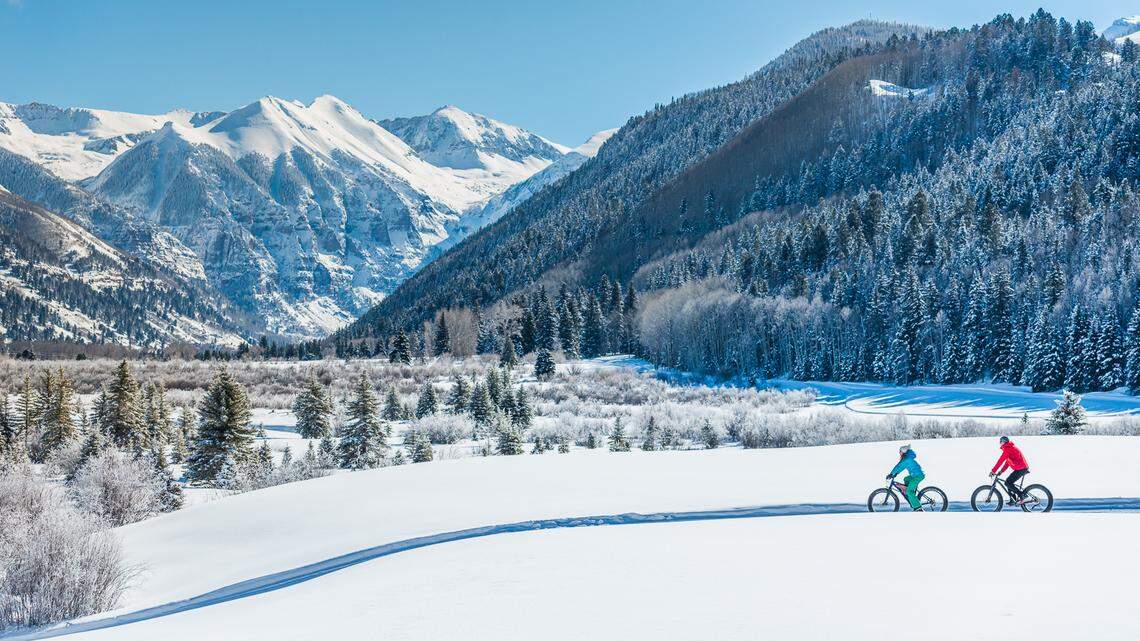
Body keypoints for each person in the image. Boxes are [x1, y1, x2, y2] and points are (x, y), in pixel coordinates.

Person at [991, 435, 1029, 505]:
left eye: (1001, 442)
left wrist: (993, 471)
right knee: (1008, 482)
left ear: (1003, 442)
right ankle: (1013, 499)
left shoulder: (1008, 449)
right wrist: (1001, 471)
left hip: (1021, 468)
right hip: (1020, 468)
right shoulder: (1009, 448)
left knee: (1008, 483)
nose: (1000, 444)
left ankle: (1022, 495)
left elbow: (1000, 461)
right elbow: (1007, 462)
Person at [886, 444, 925, 511]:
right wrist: (895, 473)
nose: (899, 453)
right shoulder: (907, 458)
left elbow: (899, 466)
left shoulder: (907, 460)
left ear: (903, 452)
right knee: (906, 479)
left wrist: (892, 474)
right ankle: (911, 495)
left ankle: (918, 508)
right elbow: (900, 467)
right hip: (914, 475)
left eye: (900, 451)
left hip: (917, 476)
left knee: (909, 491)